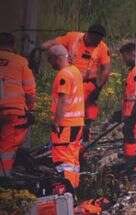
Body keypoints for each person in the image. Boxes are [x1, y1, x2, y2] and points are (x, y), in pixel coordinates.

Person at [42, 24, 111, 143]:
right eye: (96, 40)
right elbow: (49, 44)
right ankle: (62, 133)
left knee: (87, 111)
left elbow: (106, 69)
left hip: (88, 84)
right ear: (89, 34)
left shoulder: (102, 47)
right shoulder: (72, 37)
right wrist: (39, 50)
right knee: (65, 108)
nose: (97, 42)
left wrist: (98, 88)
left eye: (100, 40)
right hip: (70, 80)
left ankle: (83, 137)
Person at [48, 45, 84, 189]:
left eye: (50, 60)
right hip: (77, 123)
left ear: (57, 58)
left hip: (65, 125)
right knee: (73, 160)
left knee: (63, 160)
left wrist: (56, 122)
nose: (50, 64)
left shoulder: (63, 74)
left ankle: (64, 194)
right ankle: (73, 193)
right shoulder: (75, 71)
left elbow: (62, 99)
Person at [0, 33, 36, 177]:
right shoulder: (20, 62)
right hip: (12, 113)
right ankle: (4, 181)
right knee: (7, 148)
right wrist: (30, 109)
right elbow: (30, 91)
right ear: (13, 45)